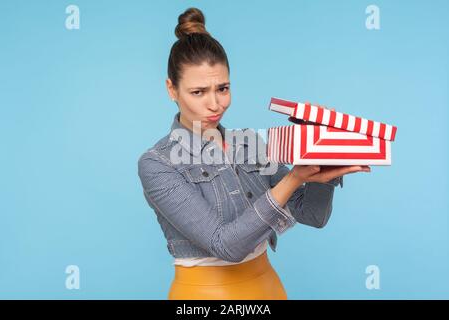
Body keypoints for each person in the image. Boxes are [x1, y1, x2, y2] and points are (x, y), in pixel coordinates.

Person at [137, 7, 370, 300]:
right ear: (172, 90)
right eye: (198, 92)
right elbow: (227, 246)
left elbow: (312, 214)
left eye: (222, 88)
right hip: (205, 296)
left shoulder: (248, 144)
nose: (215, 104)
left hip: (268, 287)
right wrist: (294, 178)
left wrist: (322, 169)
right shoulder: (157, 164)